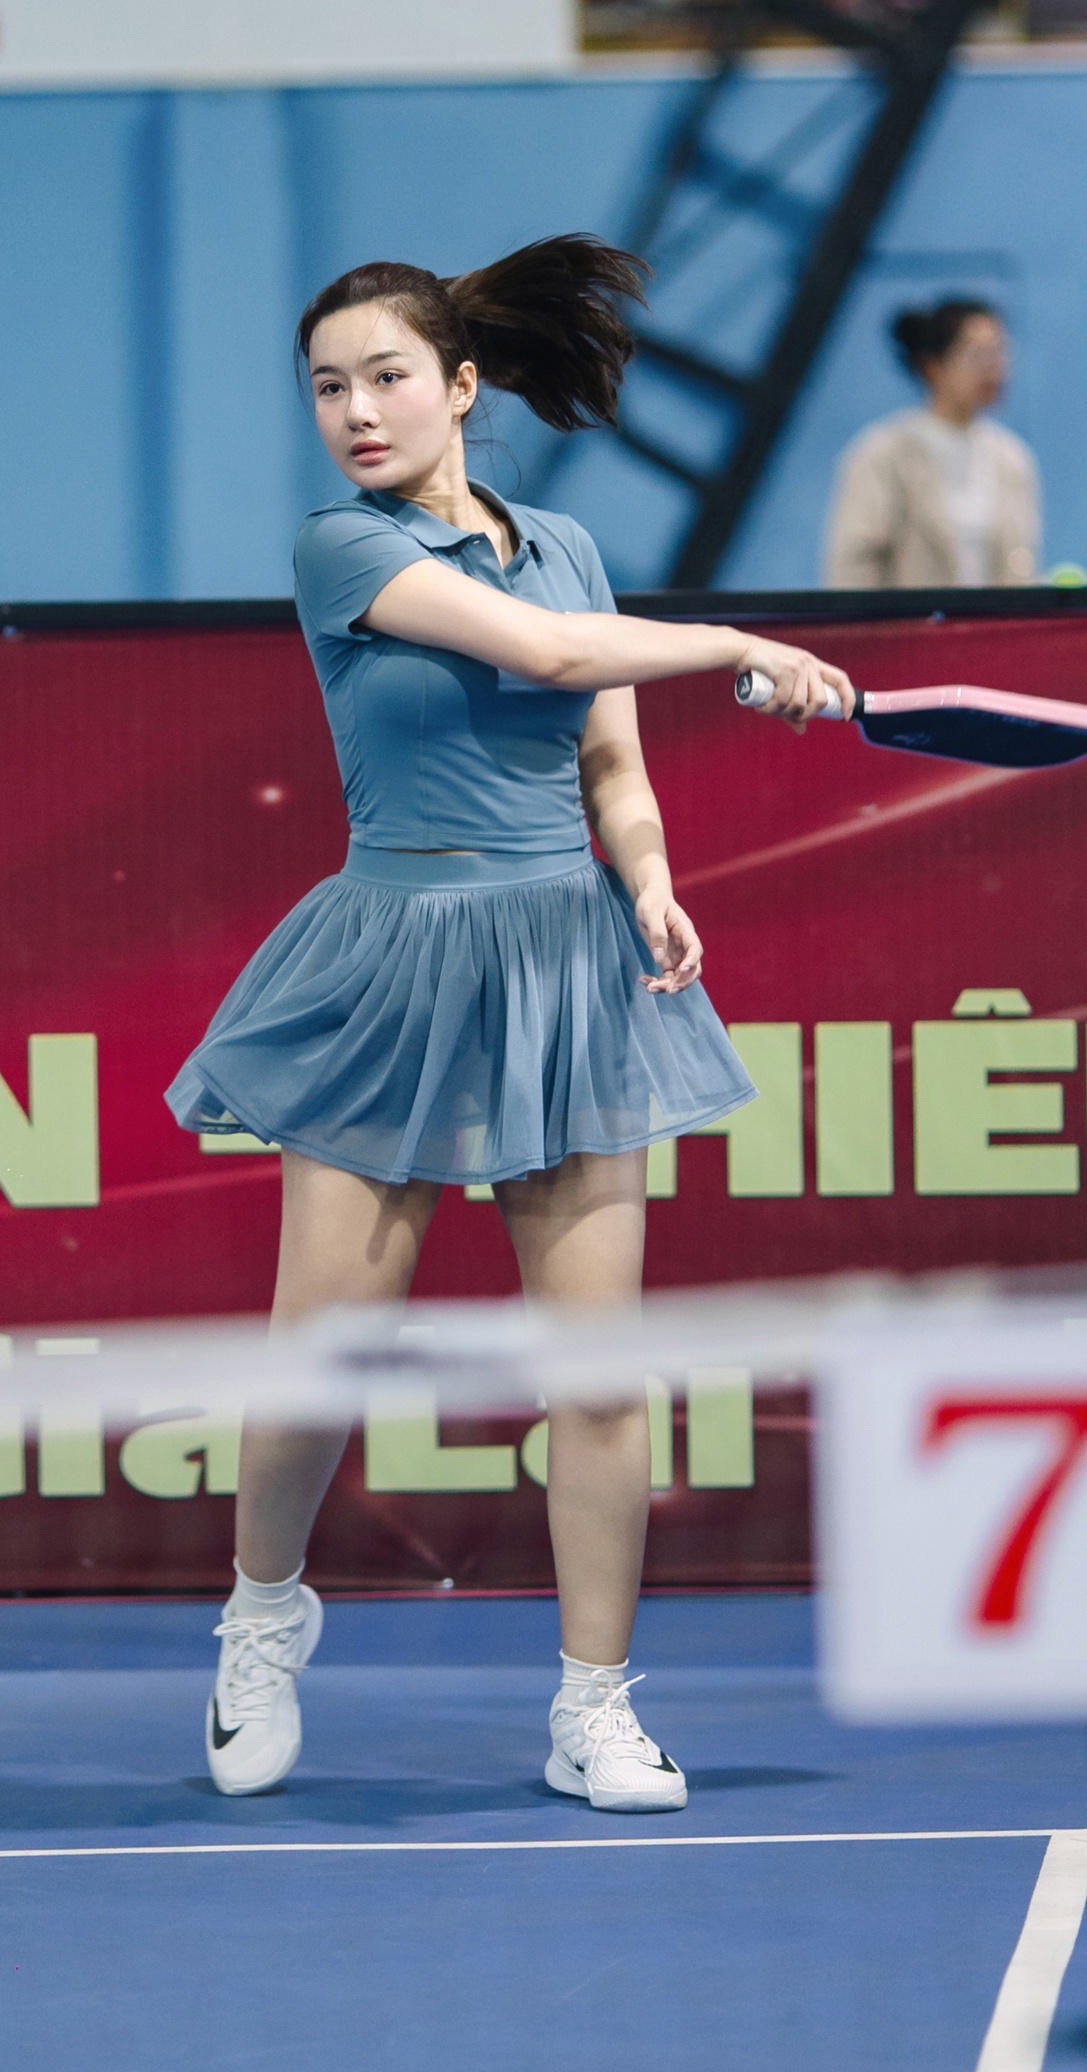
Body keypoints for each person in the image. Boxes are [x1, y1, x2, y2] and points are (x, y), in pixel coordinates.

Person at [166, 238, 852, 1812]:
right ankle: (261, 1619)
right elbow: (545, 656)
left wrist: (652, 883)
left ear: (460, 386)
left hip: (565, 963)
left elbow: (606, 757)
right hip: (395, 960)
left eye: (384, 377)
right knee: (324, 1355)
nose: (354, 411)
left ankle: (590, 1706)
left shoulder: (564, 545)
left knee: (597, 1376)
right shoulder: (341, 546)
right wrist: (736, 643)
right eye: (326, 387)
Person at [823, 298, 1040, 588]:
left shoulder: (1012, 458)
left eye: (1000, 354)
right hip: (910, 619)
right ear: (933, 366)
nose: (994, 370)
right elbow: (853, 568)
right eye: (979, 356)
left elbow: (1020, 571)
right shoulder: (883, 454)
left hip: (990, 619)